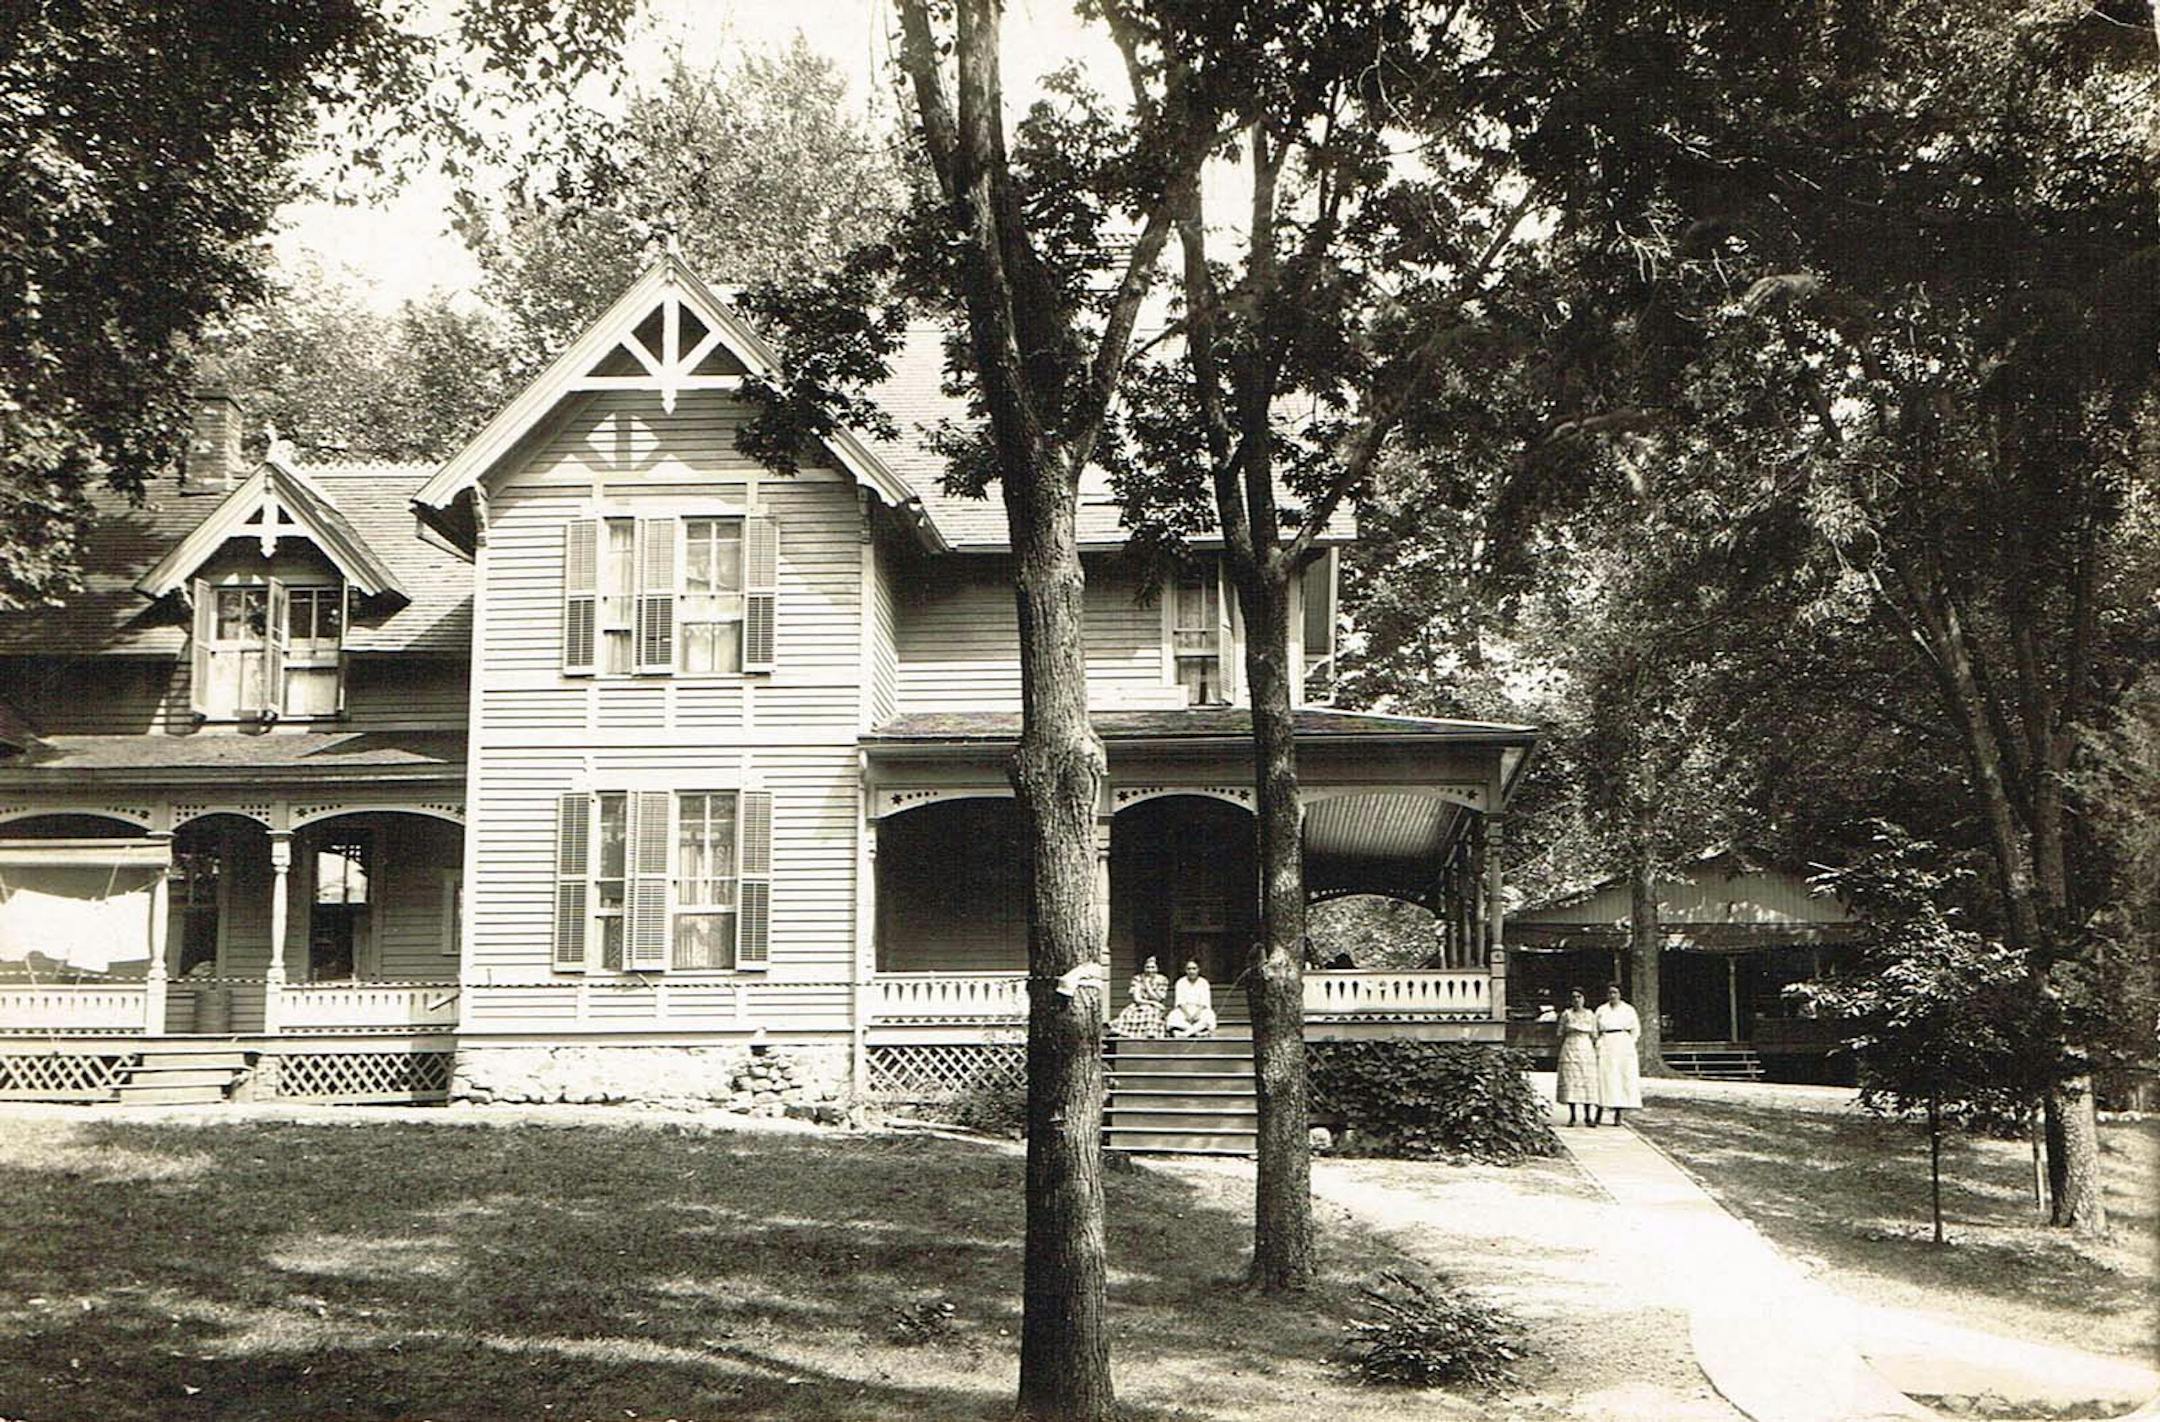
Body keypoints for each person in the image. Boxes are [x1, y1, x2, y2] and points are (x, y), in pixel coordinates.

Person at [1591, 983, 1644, 1126]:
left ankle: (1618, 1113)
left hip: (1622, 1044)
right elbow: (1594, 1029)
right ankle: (1599, 1111)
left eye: (1615, 992)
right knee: (1604, 1077)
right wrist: (1598, 1042)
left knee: (1620, 1077)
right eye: (1610, 993)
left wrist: (1628, 1043)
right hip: (1606, 1043)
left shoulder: (1628, 1010)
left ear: (1620, 994)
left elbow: (1636, 1030)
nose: (1612, 995)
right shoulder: (1601, 1010)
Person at [1554, 988, 1599, 1126]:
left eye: (1579, 997)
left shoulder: (1590, 1014)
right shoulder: (1566, 1014)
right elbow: (1560, 1033)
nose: (1576, 1000)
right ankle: (1572, 1116)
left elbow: (1594, 1034)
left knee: (1587, 1081)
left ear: (1584, 998)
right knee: (1571, 1081)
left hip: (1585, 1048)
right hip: (1570, 1047)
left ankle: (1588, 1116)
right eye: (1573, 997)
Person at [1111, 956, 1170, 1037]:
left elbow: (1158, 998)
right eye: (1147, 967)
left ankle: (1150, 1035)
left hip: (1156, 1006)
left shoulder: (1162, 979)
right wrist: (1151, 1002)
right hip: (1140, 1004)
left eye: (1153, 967)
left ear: (1157, 968)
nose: (1150, 970)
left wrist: (1147, 985)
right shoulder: (1137, 979)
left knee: (1151, 1014)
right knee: (1127, 1013)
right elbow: (1137, 998)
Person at [1164, 959, 1217, 1038]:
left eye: (1194, 969)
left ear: (1198, 970)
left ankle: (1185, 1034)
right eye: (1189, 969)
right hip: (1184, 1009)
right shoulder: (1180, 982)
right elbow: (1180, 1002)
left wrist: (1196, 1014)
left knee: (1209, 1016)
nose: (1191, 971)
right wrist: (1187, 1015)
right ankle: (1197, 1032)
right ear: (1185, 970)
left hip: (1199, 1010)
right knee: (1173, 1017)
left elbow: (1205, 1002)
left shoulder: (1204, 982)